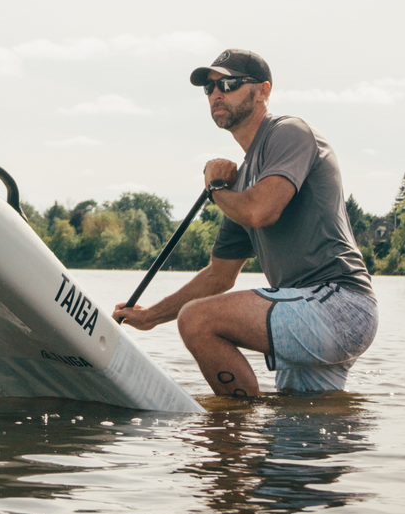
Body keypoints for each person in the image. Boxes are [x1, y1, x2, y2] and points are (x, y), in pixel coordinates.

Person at [113, 49, 377, 397]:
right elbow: (219, 276)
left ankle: (234, 424)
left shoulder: (289, 133)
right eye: (209, 88)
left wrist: (215, 187)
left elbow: (260, 212)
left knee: (198, 319)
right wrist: (151, 316)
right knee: (297, 419)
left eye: (229, 84)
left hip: (340, 304)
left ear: (263, 91)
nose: (216, 94)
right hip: (303, 306)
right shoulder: (241, 185)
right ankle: (242, 424)